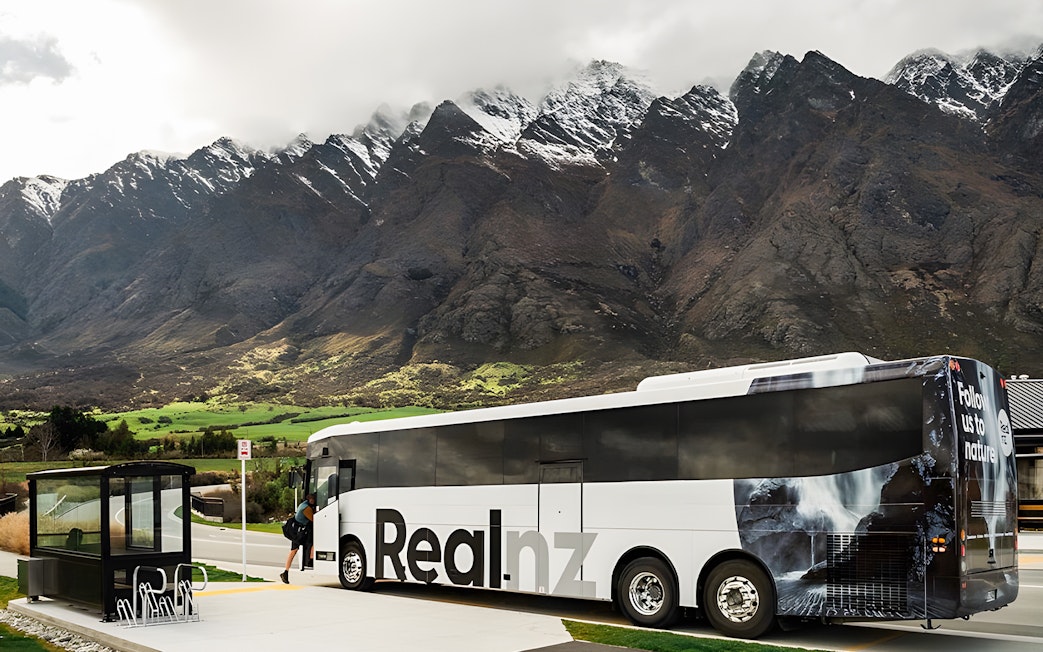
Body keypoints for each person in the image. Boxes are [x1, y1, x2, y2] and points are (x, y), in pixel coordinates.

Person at [280, 493, 315, 584]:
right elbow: (314, 519)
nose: (313, 500)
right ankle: (310, 560)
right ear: (309, 499)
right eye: (312, 499)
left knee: (293, 551)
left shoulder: (303, 504)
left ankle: (285, 572)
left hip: (296, 531)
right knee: (311, 542)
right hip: (298, 532)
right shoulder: (306, 508)